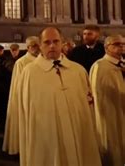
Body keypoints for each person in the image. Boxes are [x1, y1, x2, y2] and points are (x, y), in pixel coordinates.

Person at [17, 27, 101, 166]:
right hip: (46, 134)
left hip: (76, 132)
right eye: (47, 42)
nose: (52, 46)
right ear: (40, 45)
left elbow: (87, 106)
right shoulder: (29, 73)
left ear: (62, 43)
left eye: (56, 41)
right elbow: (25, 110)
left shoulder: (78, 71)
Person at [89, 35, 125, 166]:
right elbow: (98, 95)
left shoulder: (122, 64)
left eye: (123, 44)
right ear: (106, 47)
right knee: (112, 146)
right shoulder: (100, 66)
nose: (121, 47)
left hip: (122, 111)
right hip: (109, 114)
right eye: (116, 44)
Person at [3, 36, 40, 155]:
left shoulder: (42, 59)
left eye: (37, 45)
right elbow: (19, 83)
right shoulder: (21, 62)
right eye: (33, 46)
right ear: (28, 48)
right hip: (26, 98)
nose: (36, 48)